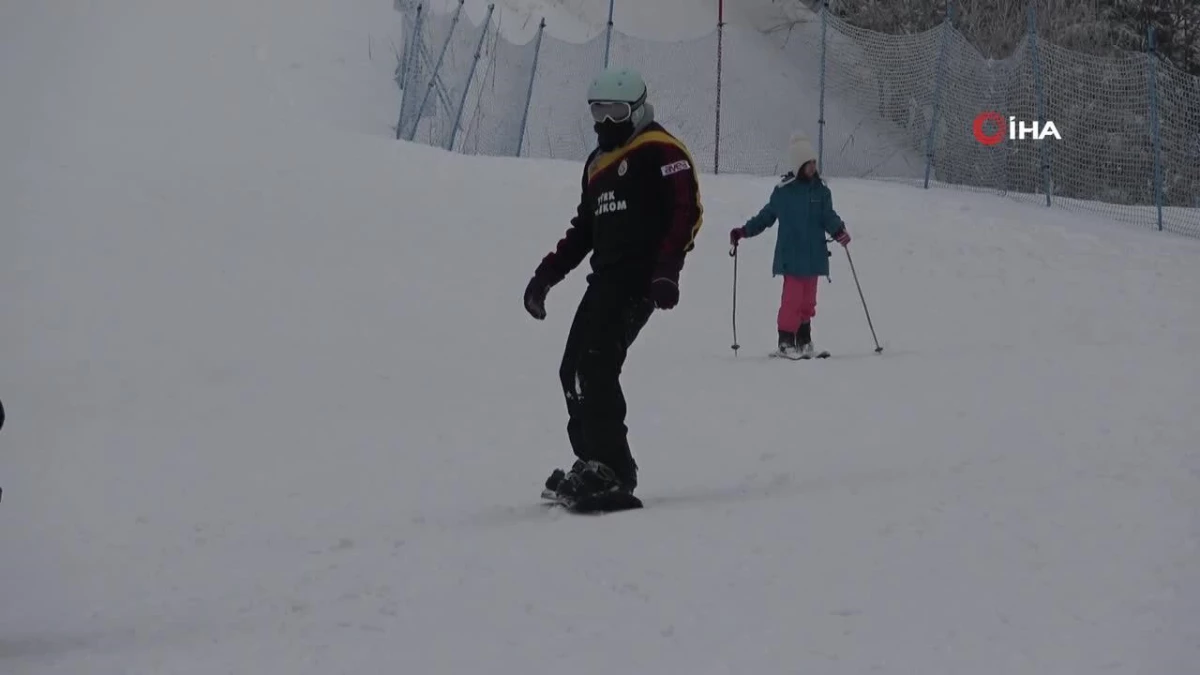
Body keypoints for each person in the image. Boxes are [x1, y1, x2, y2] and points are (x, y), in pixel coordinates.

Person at [523, 66, 703, 501]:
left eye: (615, 112)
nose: (605, 123)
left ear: (638, 110)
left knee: (597, 365)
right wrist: (546, 275)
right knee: (571, 369)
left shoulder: (659, 148)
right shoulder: (597, 164)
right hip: (603, 279)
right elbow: (585, 230)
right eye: (597, 112)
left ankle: (615, 469)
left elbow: (687, 209)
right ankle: (591, 459)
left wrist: (667, 269)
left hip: (640, 278)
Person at [729, 131, 850, 358]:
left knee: (808, 302)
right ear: (798, 165)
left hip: (814, 256)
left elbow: (828, 216)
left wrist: (839, 230)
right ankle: (786, 341)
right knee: (792, 301)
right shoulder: (784, 193)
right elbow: (765, 217)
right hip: (792, 257)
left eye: (814, 162)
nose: (813, 167)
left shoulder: (821, 191)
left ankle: (804, 340)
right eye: (808, 164)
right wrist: (743, 231)